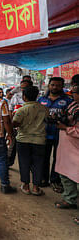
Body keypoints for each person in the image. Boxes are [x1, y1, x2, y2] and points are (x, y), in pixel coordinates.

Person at [38, 77, 73, 192]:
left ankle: (55, 180)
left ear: (62, 86)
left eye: (58, 85)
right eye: (52, 85)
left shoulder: (68, 101)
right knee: (44, 157)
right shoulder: (41, 99)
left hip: (61, 134)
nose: (54, 87)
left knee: (58, 158)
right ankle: (43, 179)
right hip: (44, 133)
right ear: (49, 85)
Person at [12, 86, 48, 195]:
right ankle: (36, 188)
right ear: (37, 96)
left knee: (24, 163)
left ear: (24, 97)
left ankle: (26, 186)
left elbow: (15, 123)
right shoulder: (44, 109)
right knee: (38, 163)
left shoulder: (21, 110)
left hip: (23, 140)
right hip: (39, 140)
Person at [54, 85, 79, 218]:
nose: (71, 95)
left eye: (73, 93)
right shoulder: (73, 105)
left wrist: (66, 128)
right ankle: (69, 199)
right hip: (67, 147)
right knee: (65, 174)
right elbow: (67, 118)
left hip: (76, 148)